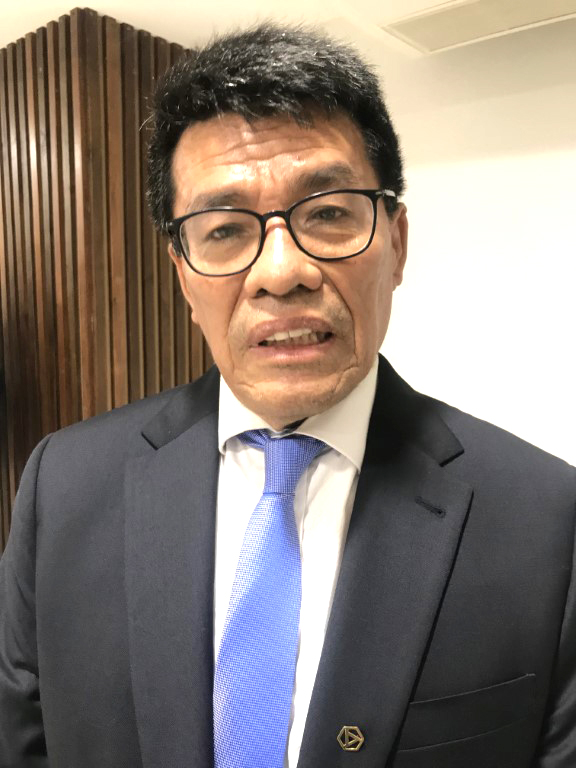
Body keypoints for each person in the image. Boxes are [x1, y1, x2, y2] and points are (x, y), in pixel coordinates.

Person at [1, 22, 575, 768]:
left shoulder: (545, 522)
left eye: (328, 212)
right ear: (183, 276)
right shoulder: (65, 488)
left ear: (396, 243)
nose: (281, 272)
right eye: (224, 230)